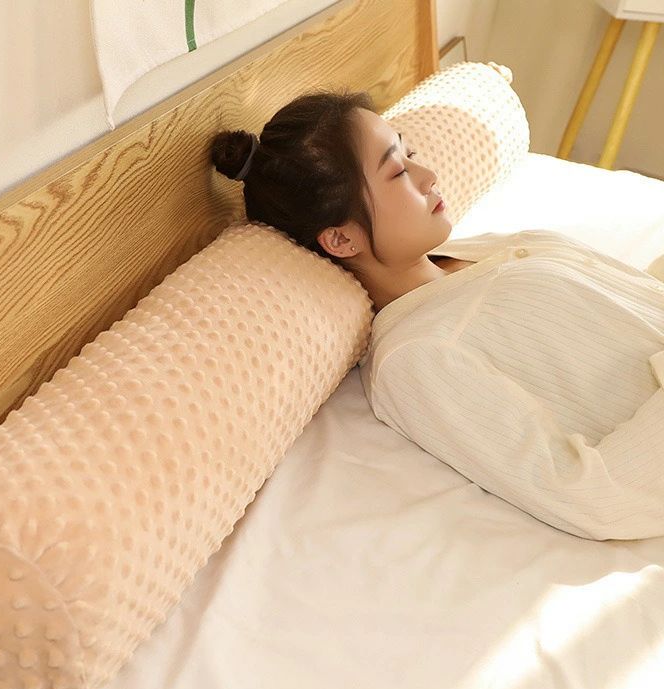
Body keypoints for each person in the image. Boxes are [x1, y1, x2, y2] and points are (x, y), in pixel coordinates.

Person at [210, 90, 664, 542]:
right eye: (397, 172)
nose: (429, 176)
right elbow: (590, 497)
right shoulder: (416, 356)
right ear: (342, 240)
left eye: (410, 154)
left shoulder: (473, 252)